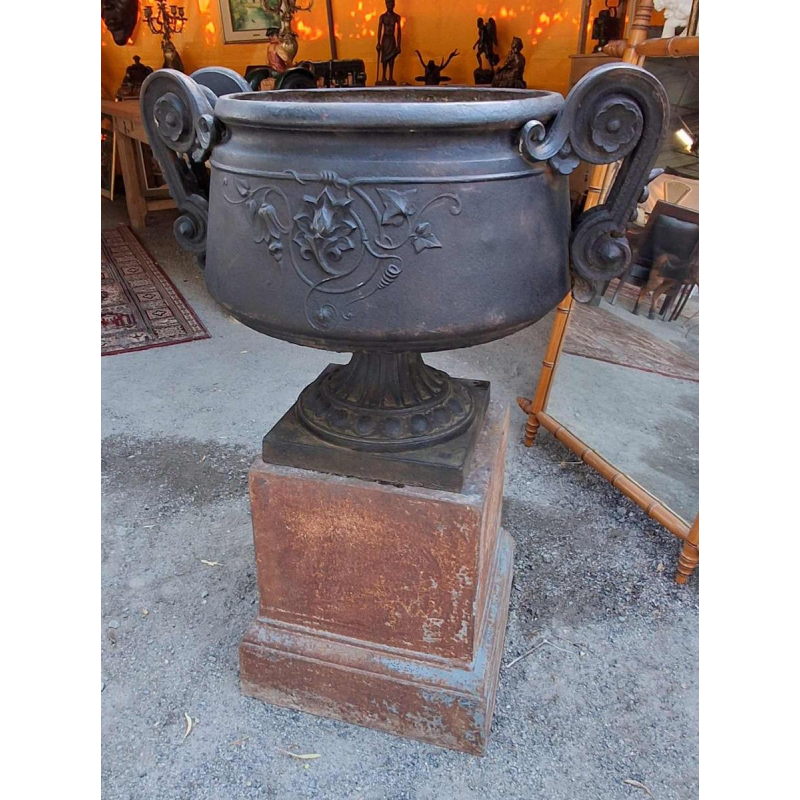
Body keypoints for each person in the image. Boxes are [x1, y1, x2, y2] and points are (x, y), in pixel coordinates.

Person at [375, 0, 402, 85]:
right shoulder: (382, 17)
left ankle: (391, 77)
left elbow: (399, 32)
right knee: (384, 59)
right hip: (385, 39)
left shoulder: (397, 17)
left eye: (391, 4)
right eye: (388, 4)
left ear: (394, 4)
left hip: (392, 39)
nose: (390, 5)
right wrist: (378, 43)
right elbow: (379, 30)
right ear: (386, 4)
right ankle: (383, 77)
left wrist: (399, 45)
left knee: (391, 59)